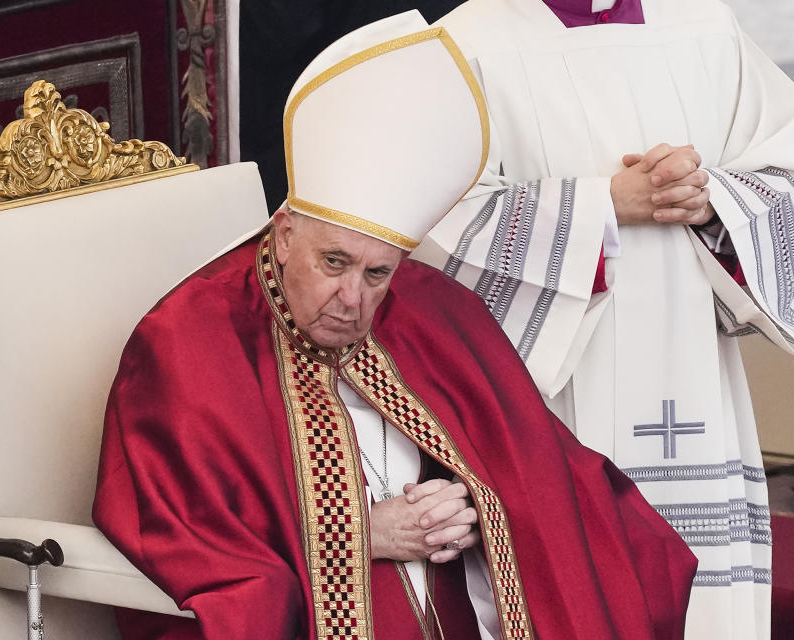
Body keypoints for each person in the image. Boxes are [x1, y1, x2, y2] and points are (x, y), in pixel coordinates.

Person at [93, 11, 697, 640]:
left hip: (455, 597)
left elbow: (536, 469)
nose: (353, 299)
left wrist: (476, 507)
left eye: (377, 274)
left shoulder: (428, 307)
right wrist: (354, 532)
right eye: (333, 263)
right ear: (283, 233)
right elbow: (177, 534)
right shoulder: (187, 341)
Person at [414, 1, 794, 638]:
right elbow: (435, 226)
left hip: (693, 373)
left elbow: (781, 169)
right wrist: (600, 207)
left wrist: (712, 200)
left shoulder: (705, 26)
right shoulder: (462, 44)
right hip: (554, 389)